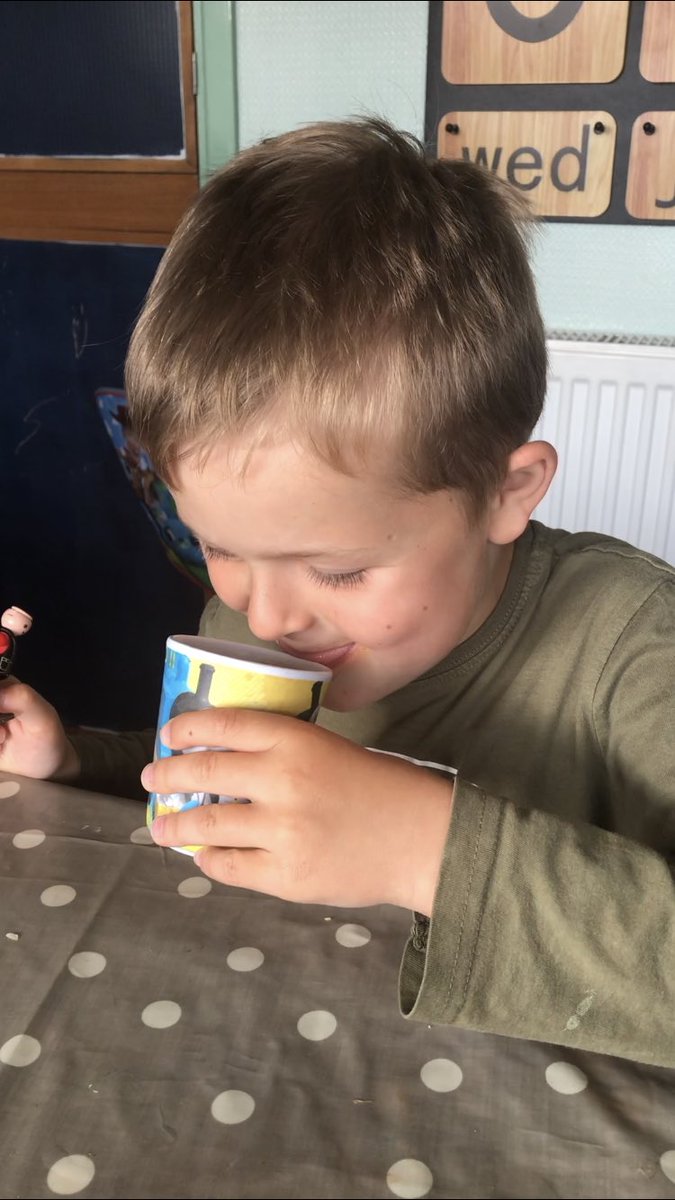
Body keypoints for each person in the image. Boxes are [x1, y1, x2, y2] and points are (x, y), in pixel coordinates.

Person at [0, 119, 673, 1066]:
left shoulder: (635, 645)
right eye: (217, 546)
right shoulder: (257, 611)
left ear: (506, 491)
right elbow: (223, 788)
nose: (264, 616)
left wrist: (420, 848)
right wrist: (76, 763)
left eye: (342, 571)